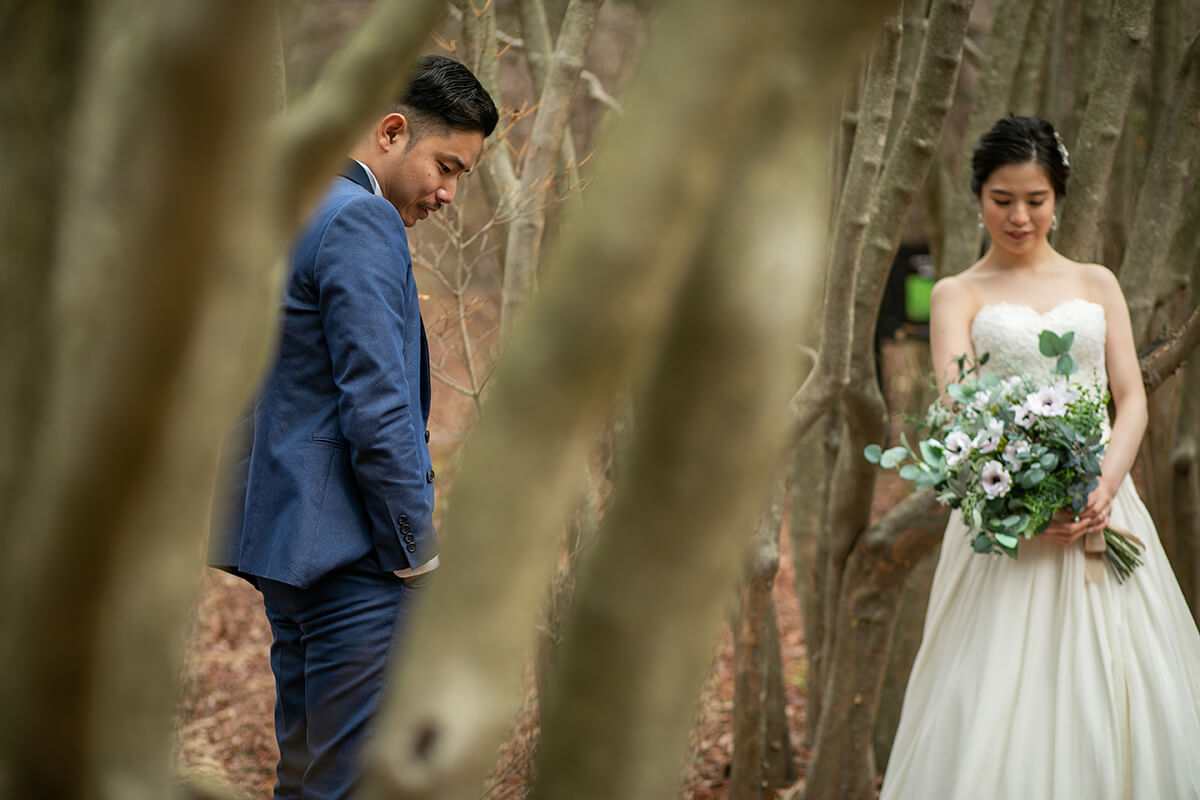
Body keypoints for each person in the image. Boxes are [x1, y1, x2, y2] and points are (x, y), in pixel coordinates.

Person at [879, 115, 1200, 798]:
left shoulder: (1096, 282)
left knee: (1116, 687)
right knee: (995, 694)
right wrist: (1021, 504)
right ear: (978, 198)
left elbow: (1130, 400)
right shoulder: (955, 295)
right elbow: (959, 411)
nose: (1020, 216)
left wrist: (1103, 487)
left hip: (1103, 509)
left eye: (1035, 199)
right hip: (1004, 524)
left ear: (1057, 198)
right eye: (1003, 200)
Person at [209, 55, 497, 799]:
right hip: (352, 561)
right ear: (391, 130)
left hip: (286, 546)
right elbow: (379, 408)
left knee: (307, 778)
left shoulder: (295, 206)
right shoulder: (360, 220)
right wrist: (417, 555)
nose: (448, 192)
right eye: (445, 164)